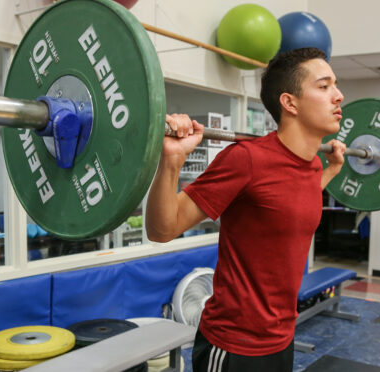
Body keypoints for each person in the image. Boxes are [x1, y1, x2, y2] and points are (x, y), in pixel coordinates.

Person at [145, 47, 346, 372]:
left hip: (282, 339)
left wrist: (330, 172)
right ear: (289, 103)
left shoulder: (310, 167)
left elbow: (287, 204)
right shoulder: (246, 159)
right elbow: (162, 230)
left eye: (335, 85)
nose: (338, 96)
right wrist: (171, 161)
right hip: (233, 346)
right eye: (324, 86)